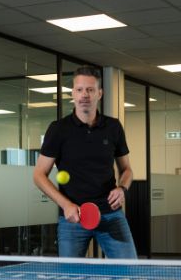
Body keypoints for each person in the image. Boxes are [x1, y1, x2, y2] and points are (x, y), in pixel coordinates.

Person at [33, 65, 137, 259]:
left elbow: (127, 170)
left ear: (100, 93)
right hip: (73, 218)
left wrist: (122, 189)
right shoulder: (58, 129)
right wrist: (65, 205)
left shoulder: (113, 127)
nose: (84, 95)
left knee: (130, 272)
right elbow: (39, 175)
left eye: (90, 90)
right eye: (79, 90)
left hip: (111, 214)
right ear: (73, 93)